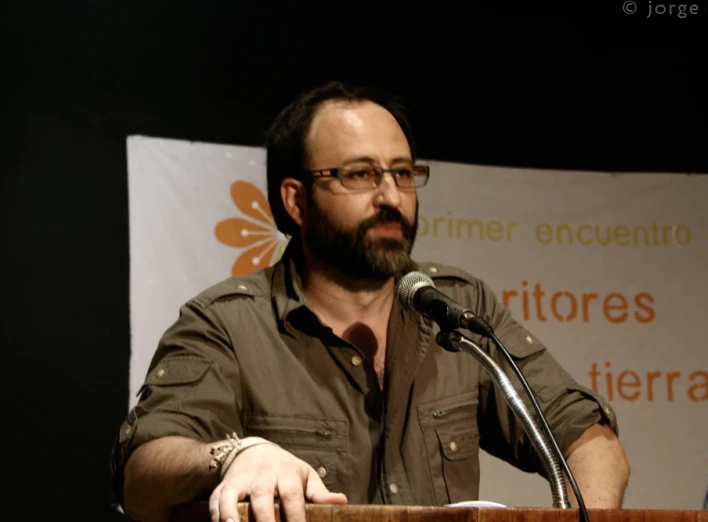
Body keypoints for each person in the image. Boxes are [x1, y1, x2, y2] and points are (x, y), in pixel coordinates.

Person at [111, 81, 630, 522]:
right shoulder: (227, 322)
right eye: (359, 174)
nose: (390, 196)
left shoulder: (457, 306)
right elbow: (143, 473)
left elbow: (585, 436)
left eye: (403, 173)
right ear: (295, 200)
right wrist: (232, 454)